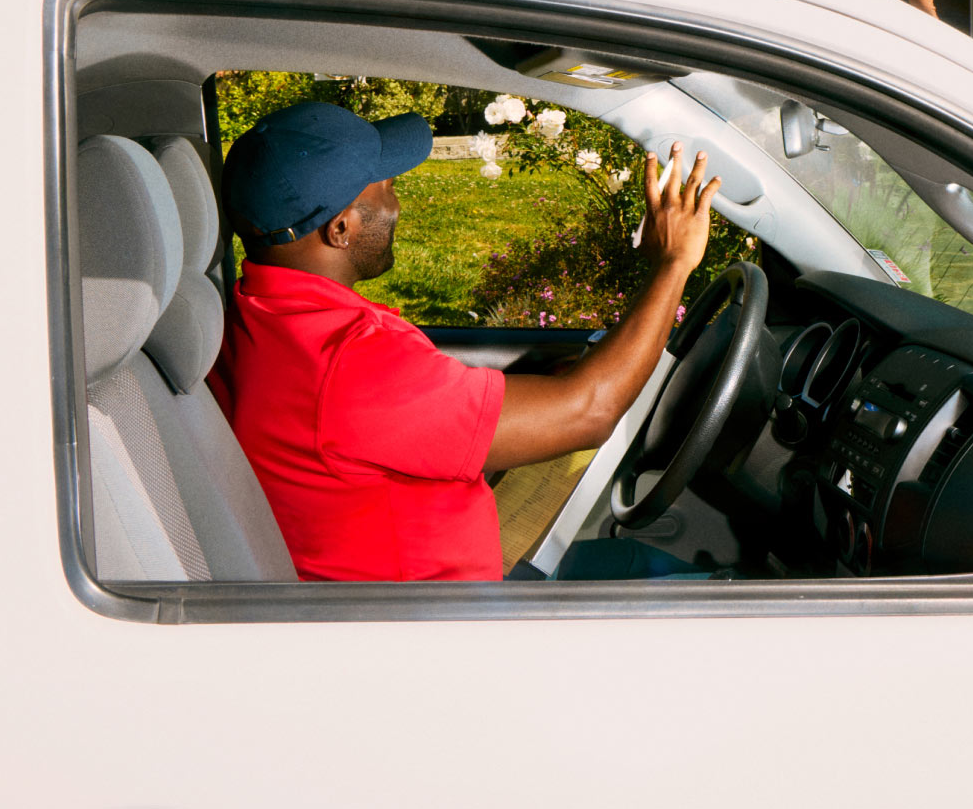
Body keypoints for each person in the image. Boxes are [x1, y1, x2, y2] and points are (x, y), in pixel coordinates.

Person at [207, 99, 718, 583]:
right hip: (453, 624)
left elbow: (391, 428)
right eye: (383, 185)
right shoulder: (352, 364)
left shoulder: (255, 316)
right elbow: (590, 411)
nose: (396, 202)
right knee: (712, 594)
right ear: (341, 228)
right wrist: (672, 263)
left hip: (439, 587)